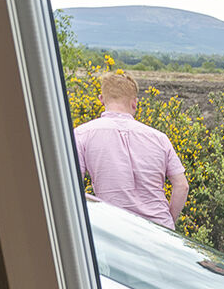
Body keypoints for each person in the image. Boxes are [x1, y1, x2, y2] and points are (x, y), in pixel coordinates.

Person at [73, 72, 188, 230]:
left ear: (101, 99)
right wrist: (168, 223)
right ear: (134, 103)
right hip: (160, 231)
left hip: (114, 229)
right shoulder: (159, 138)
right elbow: (182, 186)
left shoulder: (82, 134)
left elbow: (72, 186)